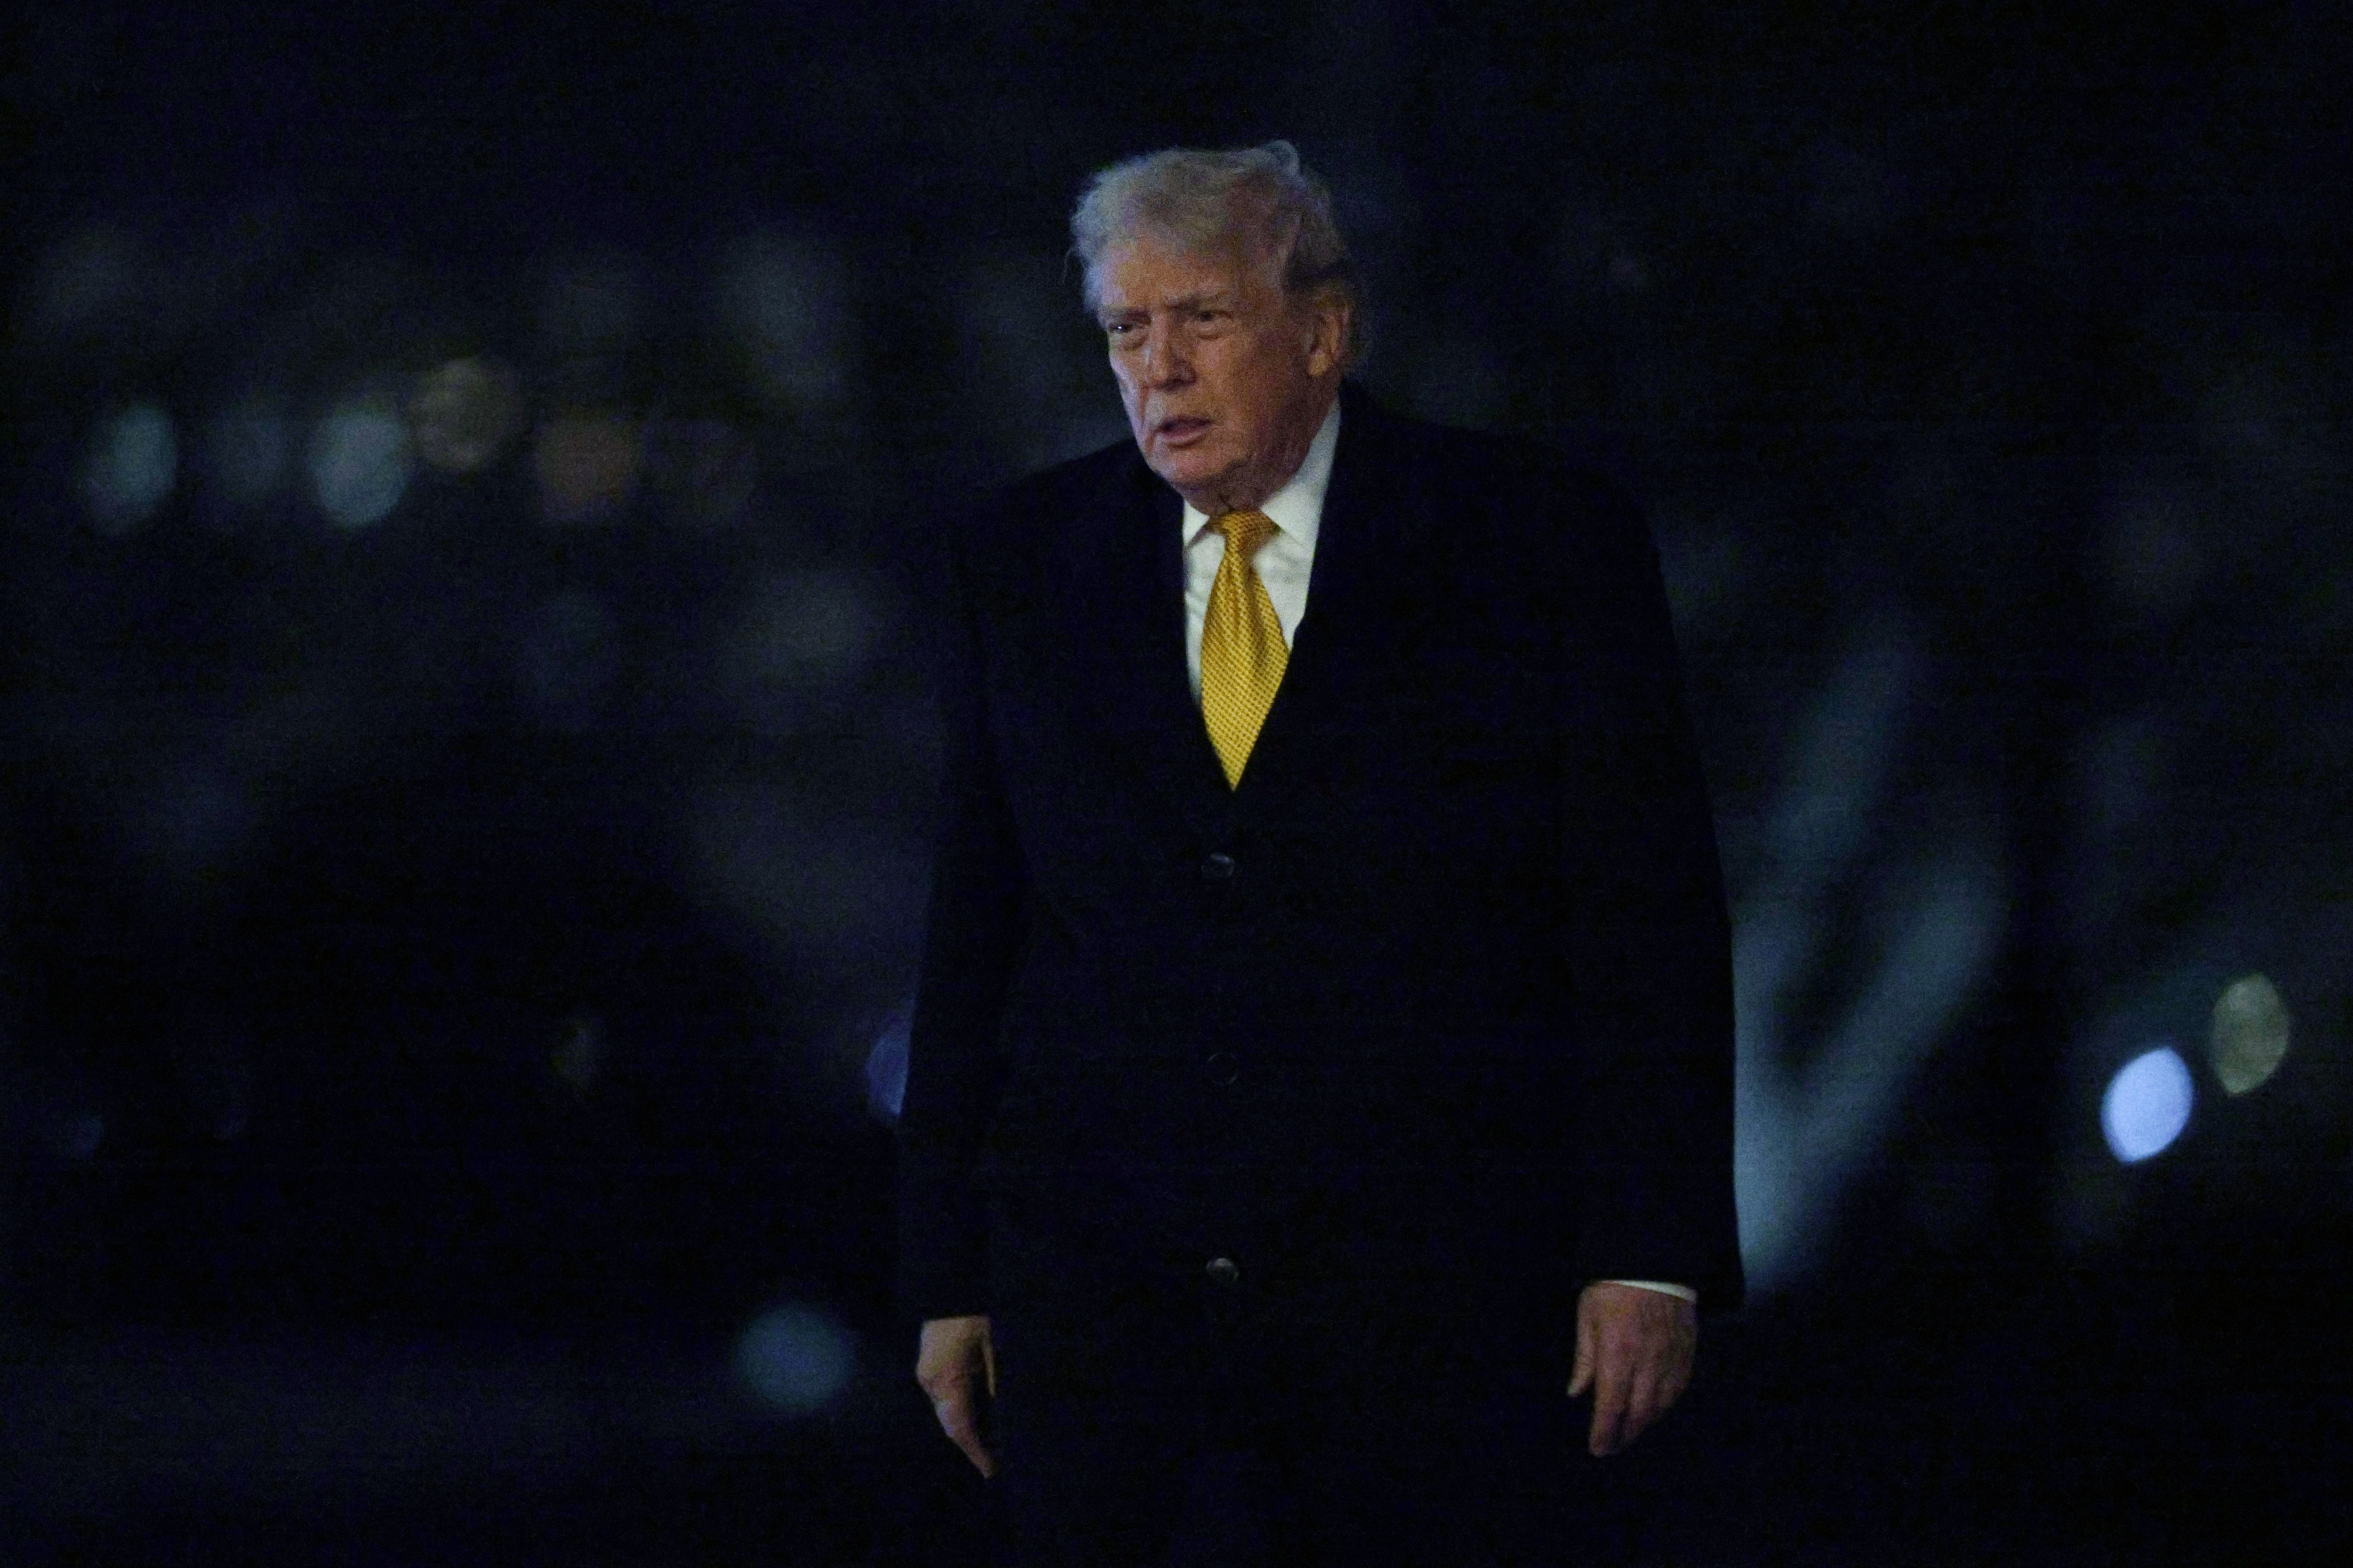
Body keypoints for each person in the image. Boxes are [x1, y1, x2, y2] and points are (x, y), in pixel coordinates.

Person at [898, 140, 1741, 1564]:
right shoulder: (1020, 563)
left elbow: (1642, 911)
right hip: (1102, 1309)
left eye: (1202, 320)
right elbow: (977, 931)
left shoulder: (1536, 544)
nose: (1156, 367)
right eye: (1125, 328)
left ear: (1324, 330)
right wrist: (945, 1274)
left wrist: (1648, 1249)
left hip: (1441, 1305)